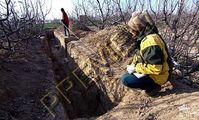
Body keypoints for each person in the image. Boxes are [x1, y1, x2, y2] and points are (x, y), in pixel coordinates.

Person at [120, 10, 173, 95]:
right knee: (127, 74)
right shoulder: (147, 37)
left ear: (137, 28)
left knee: (126, 79)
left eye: (132, 28)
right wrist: (134, 65)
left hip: (160, 76)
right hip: (160, 72)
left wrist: (136, 68)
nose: (130, 31)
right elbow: (141, 56)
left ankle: (153, 87)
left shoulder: (150, 41)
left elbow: (156, 68)